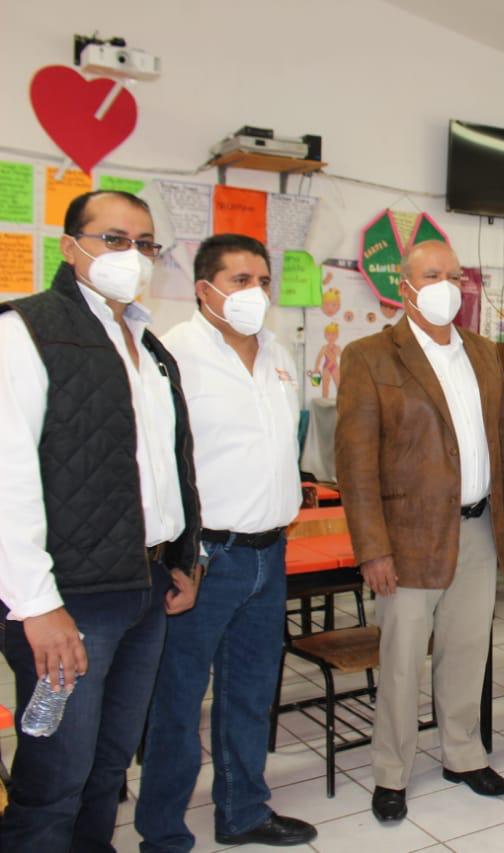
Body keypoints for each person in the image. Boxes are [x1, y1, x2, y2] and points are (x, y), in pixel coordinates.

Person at [0, 190, 201, 851]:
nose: (131, 255)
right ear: (70, 246)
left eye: (144, 244)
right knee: (56, 775)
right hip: (70, 597)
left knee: (109, 766)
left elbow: (169, 463)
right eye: (114, 239)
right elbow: (7, 479)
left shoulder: (146, 344)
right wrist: (37, 605)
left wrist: (181, 557)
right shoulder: (26, 331)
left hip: (144, 584)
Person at [335, 240, 504, 823]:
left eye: (453, 274)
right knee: (401, 661)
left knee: (467, 651)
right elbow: (355, 465)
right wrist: (372, 548)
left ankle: (463, 755)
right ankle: (391, 772)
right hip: (406, 539)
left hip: (478, 529)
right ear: (405, 288)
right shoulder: (370, 356)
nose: (446, 285)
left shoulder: (482, 351)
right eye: (431, 275)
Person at [134, 235, 316, 849]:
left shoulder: (278, 353)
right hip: (203, 559)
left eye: (262, 281)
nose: (255, 293)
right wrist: (175, 557)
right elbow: (155, 463)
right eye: (240, 280)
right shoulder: (170, 353)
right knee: (178, 703)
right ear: (204, 289)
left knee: (250, 693)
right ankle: (162, 833)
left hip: (269, 552)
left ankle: (243, 813)